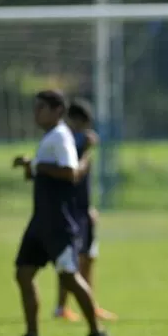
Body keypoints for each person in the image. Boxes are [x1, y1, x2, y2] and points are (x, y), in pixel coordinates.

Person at [3, 90, 112, 336]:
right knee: (23, 273)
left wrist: (38, 167)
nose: (36, 113)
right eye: (36, 107)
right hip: (40, 221)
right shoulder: (49, 138)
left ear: (57, 111)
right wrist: (29, 166)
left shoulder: (61, 137)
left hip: (57, 224)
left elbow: (71, 173)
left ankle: (97, 334)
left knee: (70, 278)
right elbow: (48, 174)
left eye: (41, 108)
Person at [53, 99, 118, 322]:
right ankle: (61, 308)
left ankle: (90, 304)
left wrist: (89, 207)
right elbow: (72, 174)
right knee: (69, 261)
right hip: (70, 211)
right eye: (81, 125)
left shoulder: (79, 141)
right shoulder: (64, 142)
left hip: (83, 210)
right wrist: (86, 151)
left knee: (89, 257)